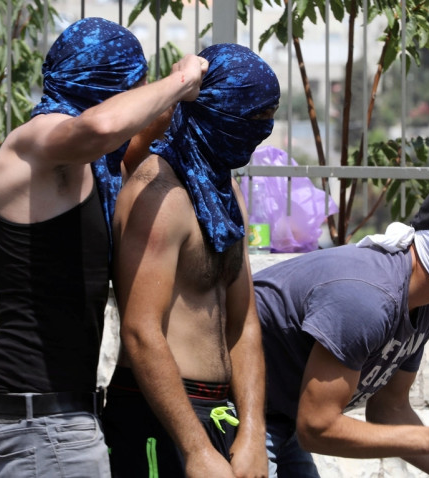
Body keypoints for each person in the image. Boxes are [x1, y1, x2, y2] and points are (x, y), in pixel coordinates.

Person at [0, 17, 208, 477]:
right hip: (41, 417)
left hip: (56, 413)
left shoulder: (90, 167)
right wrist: (178, 82)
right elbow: (102, 127)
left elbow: (132, 138)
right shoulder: (36, 141)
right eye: (129, 87)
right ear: (107, 84)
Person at [253, 177, 429, 478]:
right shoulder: (366, 299)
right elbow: (317, 427)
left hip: (283, 414)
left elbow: (389, 409)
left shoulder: (426, 308)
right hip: (233, 404)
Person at [102, 43, 280, 478]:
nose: (264, 130)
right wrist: (195, 448)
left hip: (220, 416)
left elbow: (245, 323)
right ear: (219, 111)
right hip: (160, 420)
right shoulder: (158, 194)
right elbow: (142, 331)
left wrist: (253, 432)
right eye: (253, 117)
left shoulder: (222, 191)